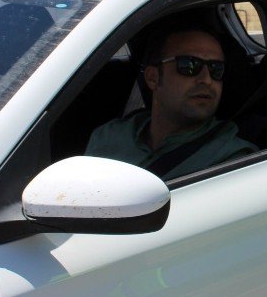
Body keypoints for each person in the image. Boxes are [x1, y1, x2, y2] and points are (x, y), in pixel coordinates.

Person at [86, 21, 257, 180]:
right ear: (153, 78)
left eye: (216, 69)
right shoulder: (109, 137)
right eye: (190, 65)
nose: (206, 79)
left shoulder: (234, 161)